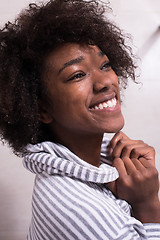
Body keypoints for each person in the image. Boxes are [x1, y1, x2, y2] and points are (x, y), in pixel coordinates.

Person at [0, 0, 160, 239]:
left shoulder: (99, 162)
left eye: (105, 65)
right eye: (77, 75)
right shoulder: (78, 210)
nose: (106, 82)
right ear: (41, 108)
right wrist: (147, 203)